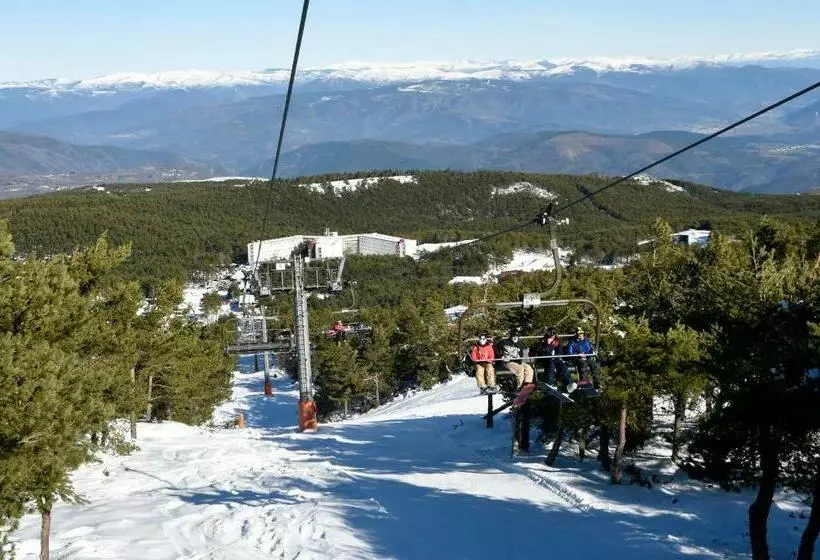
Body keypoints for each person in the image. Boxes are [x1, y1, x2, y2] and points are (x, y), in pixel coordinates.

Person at [539, 326, 577, 393]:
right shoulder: (543, 340)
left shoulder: (556, 341)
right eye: (551, 333)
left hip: (555, 359)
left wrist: (557, 355)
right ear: (548, 333)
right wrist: (547, 344)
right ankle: (549, 383)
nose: (552, 335)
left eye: (554, 333)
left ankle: (569, 384)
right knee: (551, 366)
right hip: (546, 359)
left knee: (563, 367)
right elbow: (542, 351)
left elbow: (560, 351)